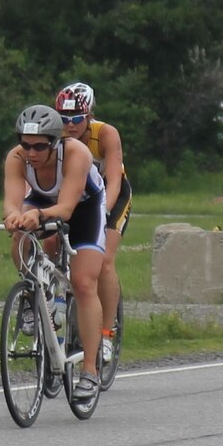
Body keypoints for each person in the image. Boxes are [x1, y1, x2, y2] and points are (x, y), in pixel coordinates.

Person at [3, 104, 106, 402]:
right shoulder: (16, 158)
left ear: (55, 143)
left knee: (85, 282)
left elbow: (67, 208)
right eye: (25, 144)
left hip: (84, 206)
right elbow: (12, 202)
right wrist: (13, 217)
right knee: (21, 237)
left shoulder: (77, 154)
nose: (31, 153)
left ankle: (90, 370)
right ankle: (33, 296)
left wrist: (36, 214)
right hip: (42, 201)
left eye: (39, 146)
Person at [55, 82, 132, 364]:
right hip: (75, 197)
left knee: (104, 262)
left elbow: (113, 179)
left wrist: (102, 214)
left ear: (89, 116)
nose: (70, 125)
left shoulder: (106, 134)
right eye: (64, 119)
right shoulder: (55, 135)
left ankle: (106, 332)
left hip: (110, 197)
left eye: (76, 119)